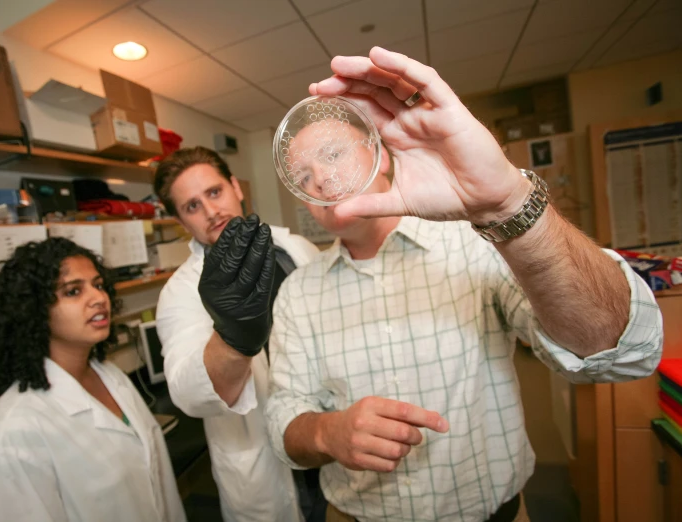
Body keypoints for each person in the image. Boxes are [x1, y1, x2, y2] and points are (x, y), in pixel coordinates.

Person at [265, 47, 663, 522]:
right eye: (304, 176)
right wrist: (326, 434)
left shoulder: (474, 243)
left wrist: (506, 205)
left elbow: (624, 351)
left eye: (333, 154)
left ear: (380, 156)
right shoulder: (298, 293)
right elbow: (283, 418)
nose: (325, 181)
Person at [154, 147, 326, 522]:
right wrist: (232, 336)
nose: (211, 211)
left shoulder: (296, 248)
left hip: (328, 430)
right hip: (266, 465)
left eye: (214, 193)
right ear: (181, 220)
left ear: (235, 186)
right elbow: (188, 393)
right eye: (192, 206)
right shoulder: (180, 292)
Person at [0, 238, 185, 522]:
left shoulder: (110, 376)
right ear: (33, 311)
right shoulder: (12, 433)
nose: (98, 298)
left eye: (98, 285)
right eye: (73, 291)